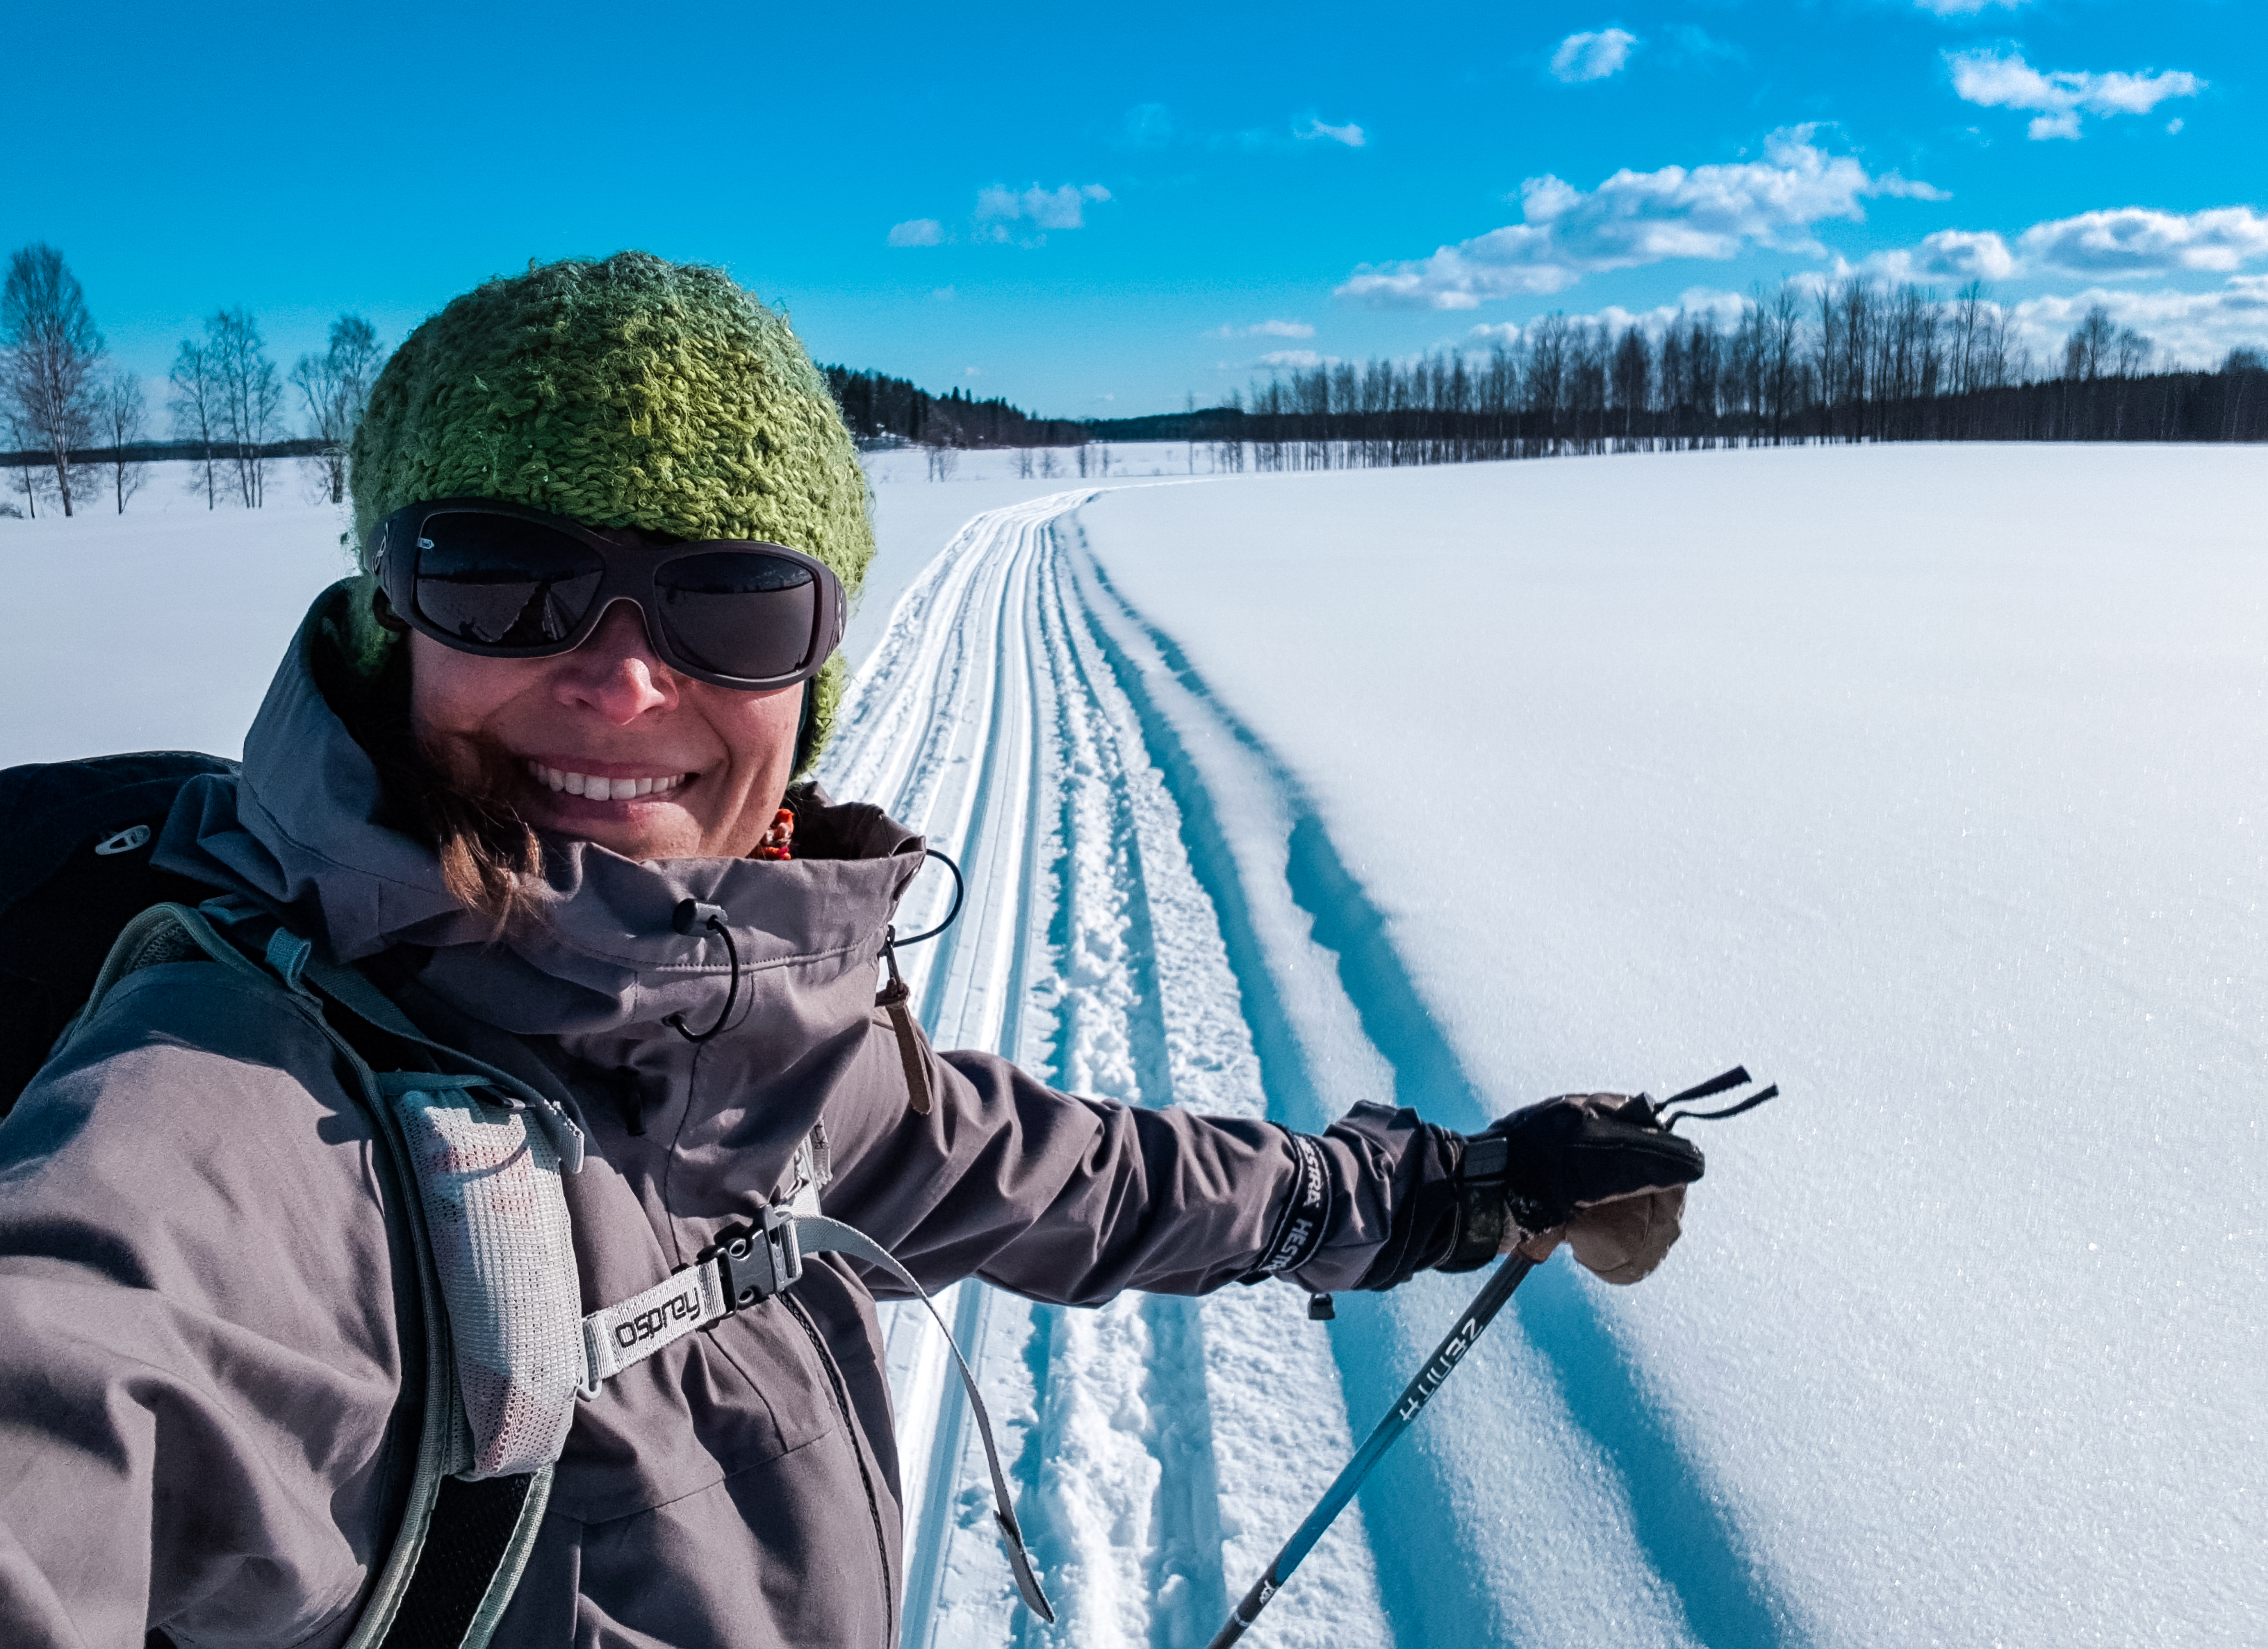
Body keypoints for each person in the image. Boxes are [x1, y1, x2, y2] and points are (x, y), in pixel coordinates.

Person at [0, 253, 1700, 1649]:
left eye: (727, 604)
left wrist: (1433, 1192)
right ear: (392, 613)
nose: (621, 681)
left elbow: (1076, 1180)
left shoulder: (757, 1041)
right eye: (507, 579)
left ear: (810, 679)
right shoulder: (227, 1121)